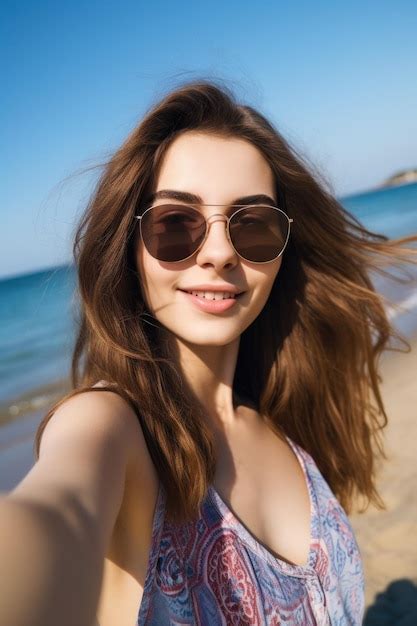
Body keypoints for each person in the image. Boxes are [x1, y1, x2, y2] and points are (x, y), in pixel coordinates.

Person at [1, 79, 416, 626]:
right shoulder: (111, 427)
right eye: (176, 224)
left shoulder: (285, 420)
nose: (219, 252)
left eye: (254, 225)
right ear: (128, 249)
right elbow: (51, 516)